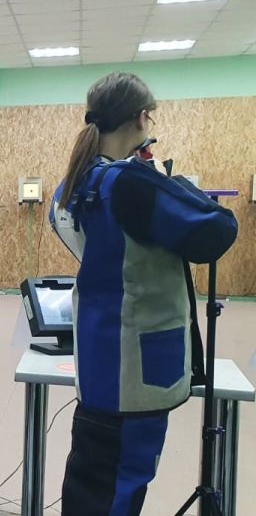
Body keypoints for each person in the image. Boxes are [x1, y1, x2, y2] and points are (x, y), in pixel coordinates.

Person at [51, 72, 238, 514]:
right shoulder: (129, 182)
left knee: (92, 485)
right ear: (141, 118)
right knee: (120, 489)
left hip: (98, 361)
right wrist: (173, 183)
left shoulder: (73, 185)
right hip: (140, 369)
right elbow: (217, 231)